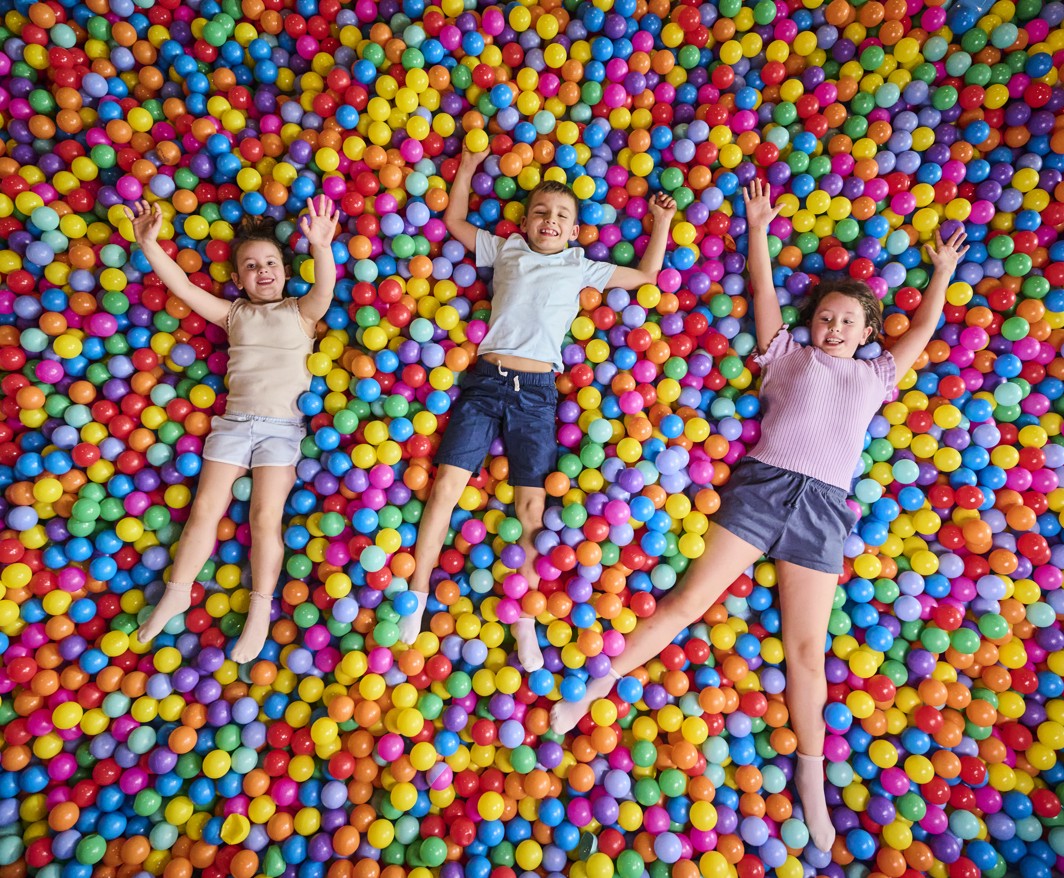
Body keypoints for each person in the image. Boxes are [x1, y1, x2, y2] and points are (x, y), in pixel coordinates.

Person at [550, 179, 969, 852]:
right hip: (762, 490)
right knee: (685, 603)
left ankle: (811, 777)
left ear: (867, 333)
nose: (831, 328)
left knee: (808, 655)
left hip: (823, 512)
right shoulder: (785, 355)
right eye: (824, 318)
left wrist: (941, 274)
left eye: (846, 322)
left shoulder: (875, 377)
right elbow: (761, 292)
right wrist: (756, 227)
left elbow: (920, 330)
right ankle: (591, 690)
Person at [397, 145, 677, 672]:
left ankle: (523, 618)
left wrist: (660, 222)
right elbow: (454, 219)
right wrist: (468, 169)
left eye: (562, 216)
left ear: (575, 232)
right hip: (485, 383)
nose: (550, 221)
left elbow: (645, 277)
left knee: (530, 509)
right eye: (541, 213)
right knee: (446, 489)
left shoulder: (581, 267)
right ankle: (416, 595)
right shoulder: (506, 251)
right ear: (524, 223)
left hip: (536, 395)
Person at [128, 196, 340, 662]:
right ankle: (178, 591)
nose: (262, 271)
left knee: (265, 517)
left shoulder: (301, 313)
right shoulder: (233, 315)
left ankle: (260, 608)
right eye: (250, 265)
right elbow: (182, 287)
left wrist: (322, 248)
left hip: (282, 429)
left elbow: (324, 291)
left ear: (286, 271)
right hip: (233, 425)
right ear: (236, 278)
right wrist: (149, 243)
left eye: (269, 263)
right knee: (204, 507)